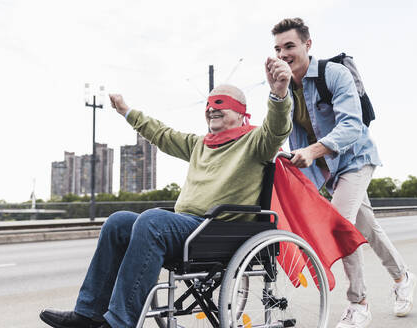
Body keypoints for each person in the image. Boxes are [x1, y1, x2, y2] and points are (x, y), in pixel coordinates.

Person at [39, 57, 293, 328]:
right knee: (117, 222)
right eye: (209, 105)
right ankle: (88, 314)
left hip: (218, 231)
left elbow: (277, 130)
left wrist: (278, 94)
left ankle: (120, 323)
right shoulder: (200, 144)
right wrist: (127, 111)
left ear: (242, 112)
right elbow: (161, 134)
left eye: (222, 104)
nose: (212, 109)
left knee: (152, 221)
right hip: (186, 226)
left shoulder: (255, 142)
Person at [270, 18, 417, 328]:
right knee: (366, 226)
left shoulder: (333, 74)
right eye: (278, 48)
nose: (283, 54)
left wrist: (311, 152)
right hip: (327, 171)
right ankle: (403, 277)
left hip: (355, 159)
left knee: (338, 226)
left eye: (290, 46)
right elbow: (280, 131)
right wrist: (278, 93)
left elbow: (351, 125)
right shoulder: (286, 88)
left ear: (307, 45)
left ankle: (358, 303)